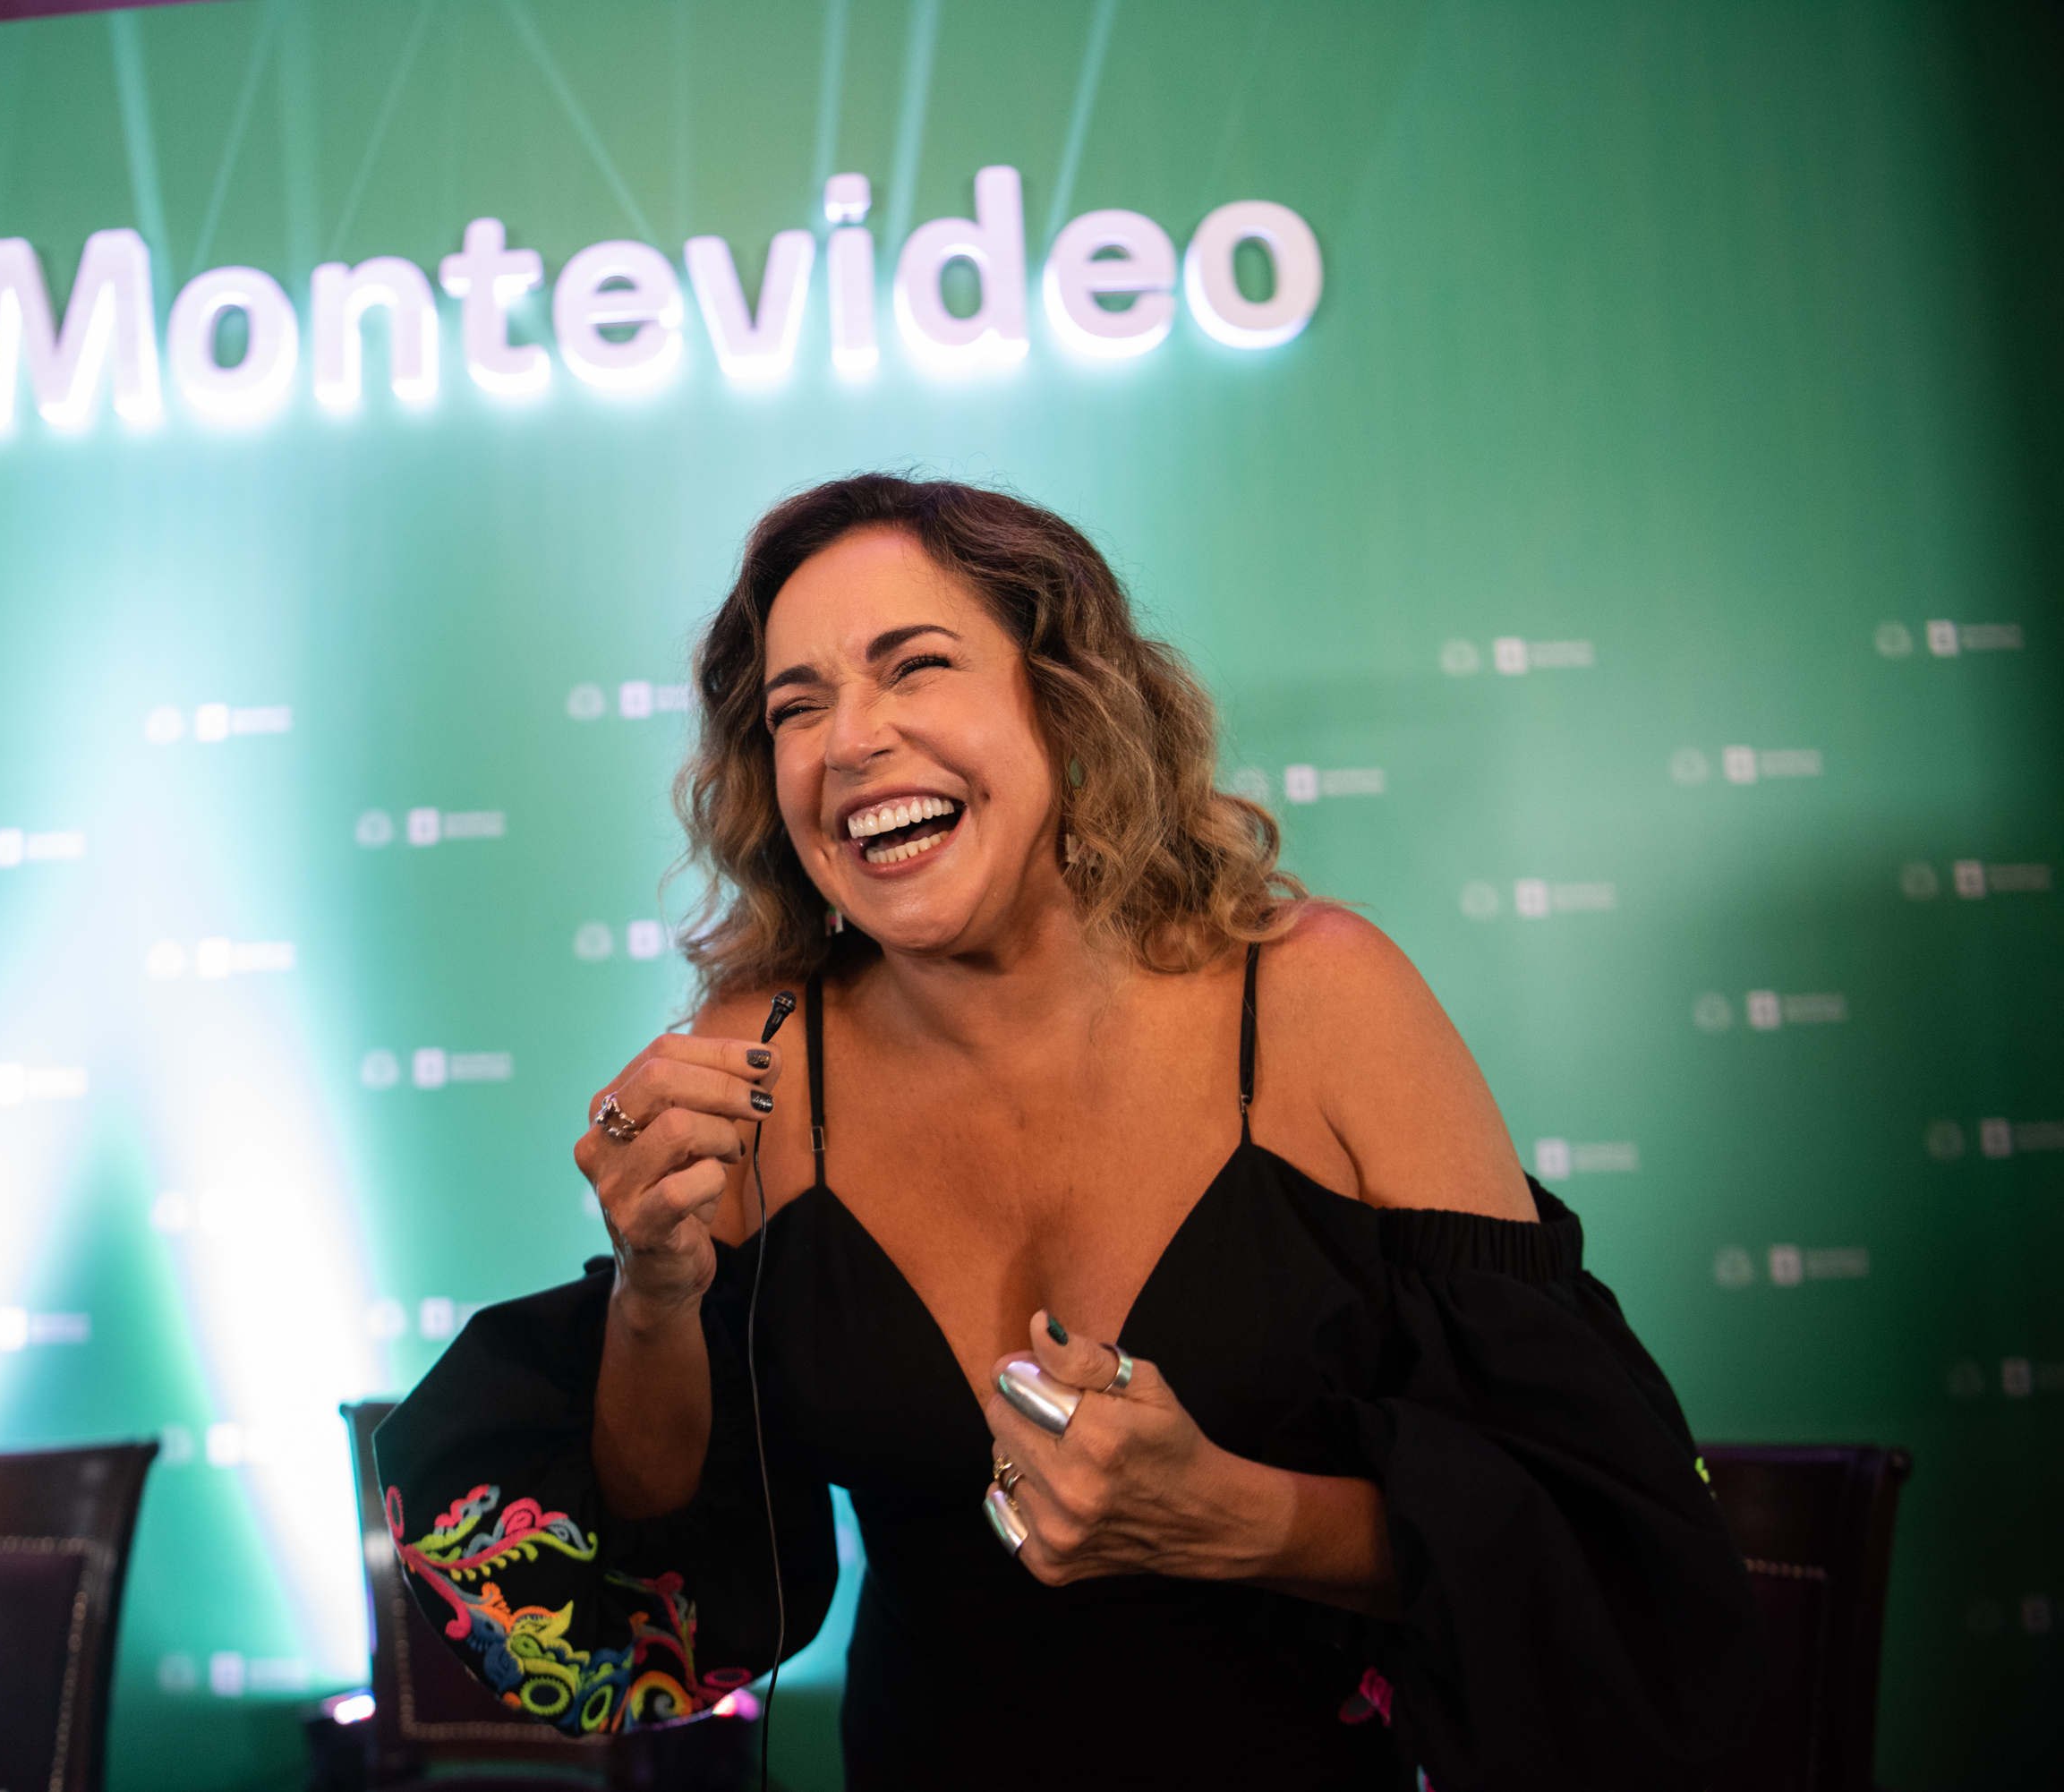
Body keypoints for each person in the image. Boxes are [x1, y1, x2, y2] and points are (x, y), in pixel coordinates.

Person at [375, 474, 1762, 1788]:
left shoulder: (1319, 999)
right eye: (800, 706)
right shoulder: (761, 1052)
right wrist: (654, 1295)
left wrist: (1240, 1513)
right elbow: (656, 1544)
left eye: (916, 665)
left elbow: (1594, 1545)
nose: (852, 740)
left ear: (1065, 701)